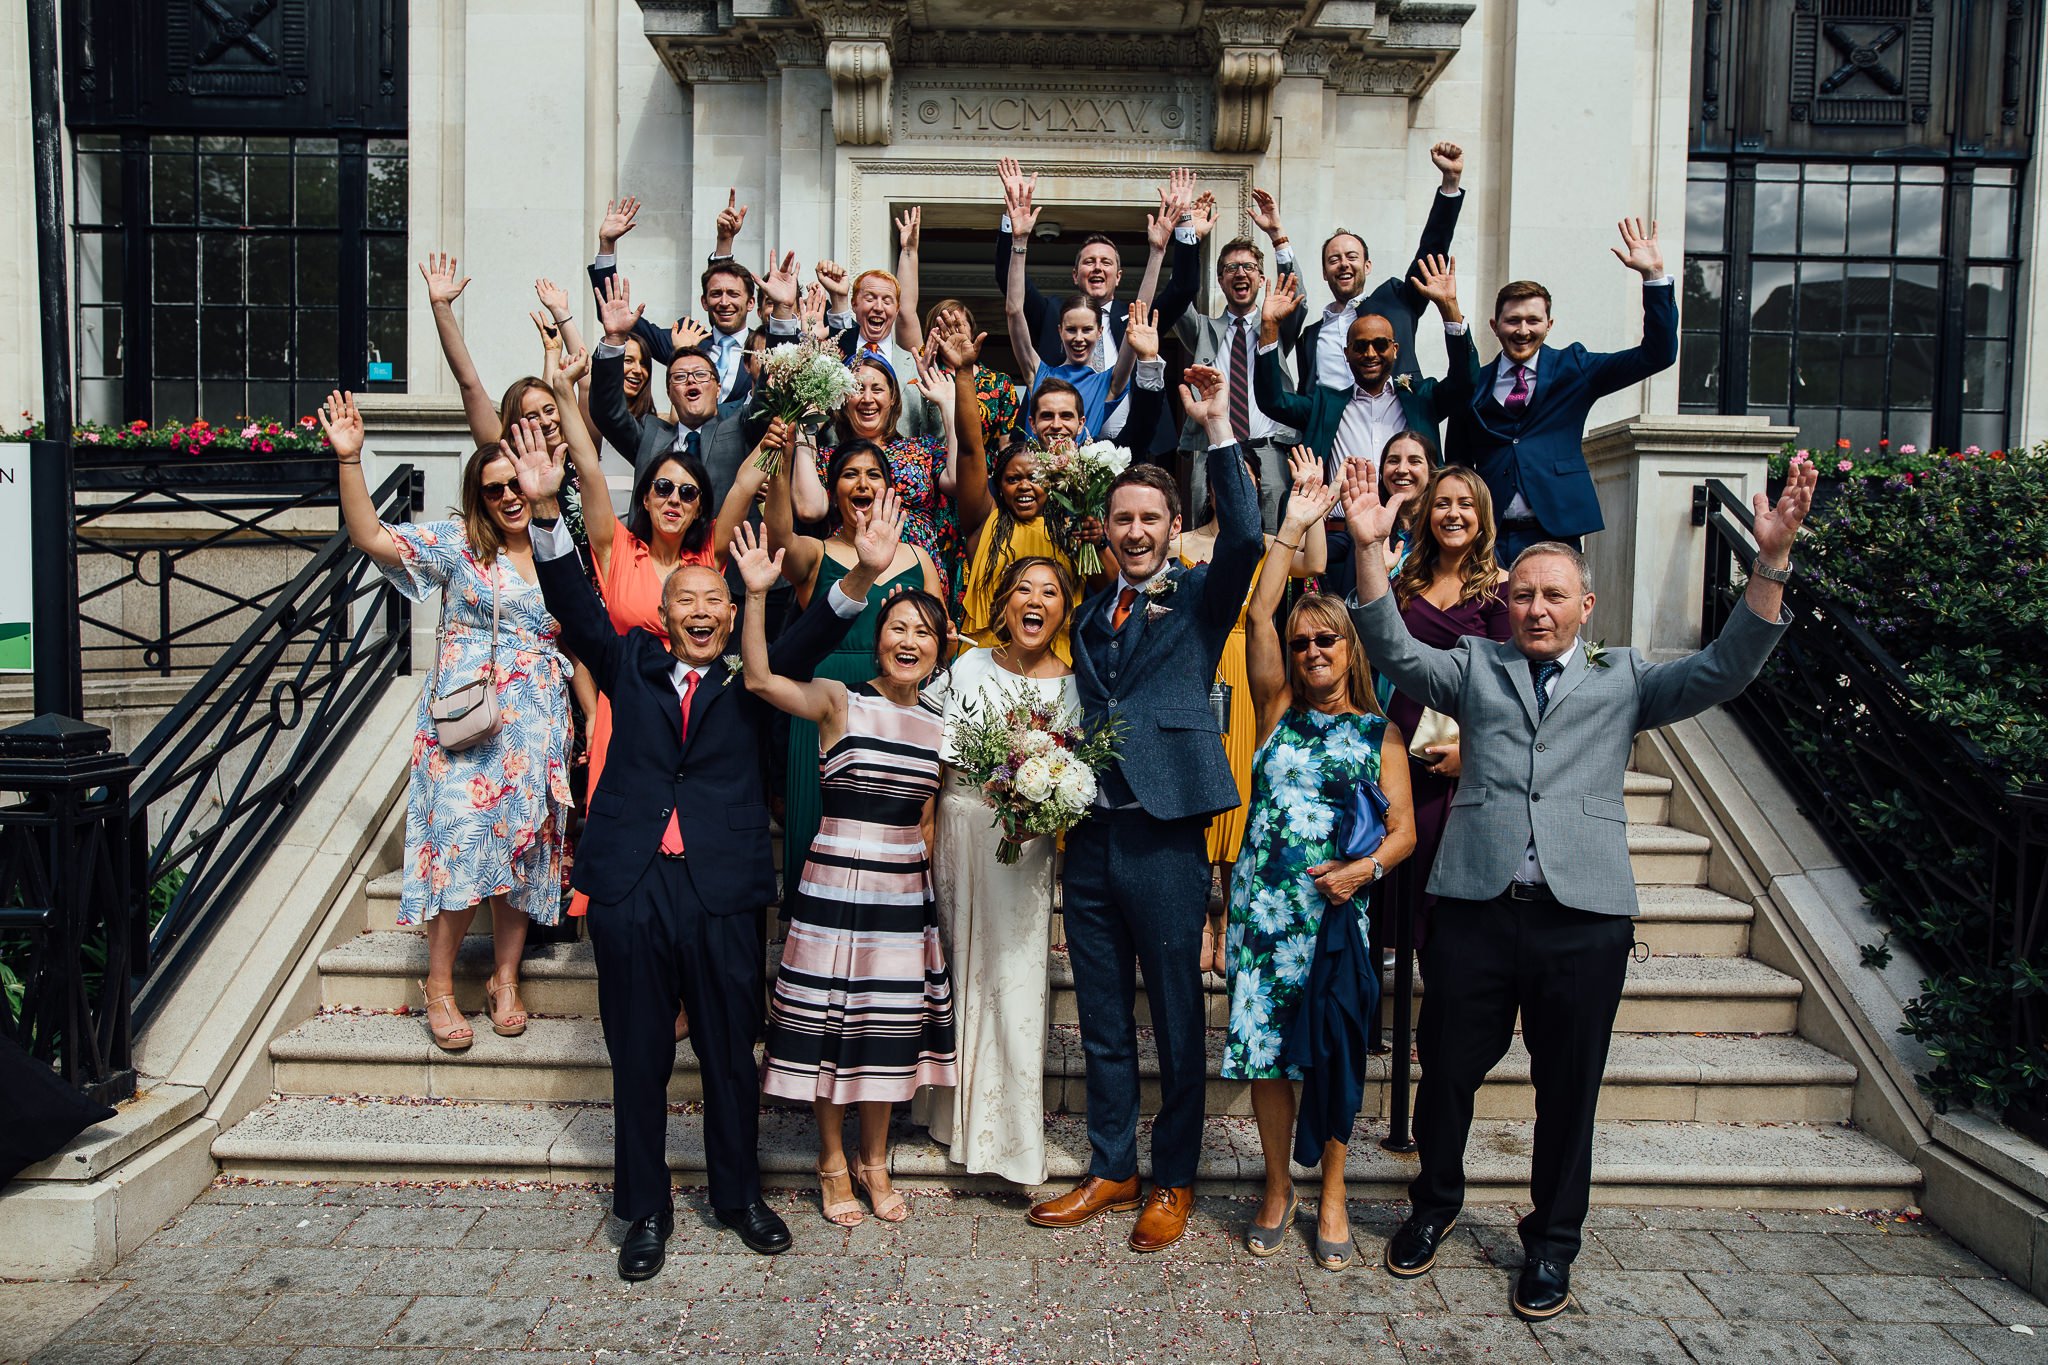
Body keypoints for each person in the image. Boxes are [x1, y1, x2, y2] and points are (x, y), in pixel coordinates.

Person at [1340, 455, 1817, 1320]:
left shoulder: (1623, 676)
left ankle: (1552, 1243)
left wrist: (1770, 564)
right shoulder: (1476, 664)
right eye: (1524, 594)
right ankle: (1435, 1204)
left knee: (1571, 1086)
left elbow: (1724, 670)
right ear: (1507, 598)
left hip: (1584, 918)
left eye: (1554, 596)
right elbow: (1391, 649)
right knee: (1445, 1067)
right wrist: (1370, 549)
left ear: (1584, 607)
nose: (1536, 609)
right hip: (1477, 907)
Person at [511, 438, 901, 1280]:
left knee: (731, 1051)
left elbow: (804, 642)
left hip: (722, 886)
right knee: (640, 1054)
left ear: (729, 618)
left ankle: (737, 1195)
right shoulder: (627, 660)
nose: (698, 612)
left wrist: (862, 576)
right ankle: (643, 1208)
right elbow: (572, 601)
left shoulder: (748, 676)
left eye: (712, 604)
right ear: (664, 612)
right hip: (631, 882)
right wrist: (548, 511)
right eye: (684, 599)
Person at [1025, 367, 1259, 1253]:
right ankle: (1112, 1164)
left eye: (1149, 518)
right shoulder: (1088, 613)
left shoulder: (1200, 598)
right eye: (1122, 518)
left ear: (1169, 527)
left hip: (1166, 832)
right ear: (1108, 529)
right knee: (1100, 1014)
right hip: (1091, 833)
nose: (1134, 530)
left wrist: (1217, 431)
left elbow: (1245, 532)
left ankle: (1174, 1178)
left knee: (1173, 1014)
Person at [325, 392, 569, 1051]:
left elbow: (581, 638)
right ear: (479, 496)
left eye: (516, 483)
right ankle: (438, 984)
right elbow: (371, 537)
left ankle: (505, 978)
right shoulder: (461, 543)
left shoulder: (558, 546)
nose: (509, 498)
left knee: (521, 848)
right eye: (494, 490)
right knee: (464, 842)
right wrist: (351, 459)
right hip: (469, 723)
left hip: (540, 720)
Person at [740, 525, 958, 1227]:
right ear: (879, 633)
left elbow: (933, 812)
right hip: (837, 880)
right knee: (831, 1028)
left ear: (938, 649)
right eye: (898, 626)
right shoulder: (838, 698)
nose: (908, 641)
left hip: (902, 888)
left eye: (923, 633)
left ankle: (876, 1157)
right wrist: (753, 595)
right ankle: (831, 1160)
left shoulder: (942, 720)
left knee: (885, 1030)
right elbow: (760, 678)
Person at [1224, 467, 1414, 1271]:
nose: (1309, 651)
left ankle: (1333, 1190)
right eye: (1302, 644)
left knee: (1333, 1054)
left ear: (1350, 646)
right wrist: (1294, 521)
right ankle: (1278, 1185)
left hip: (1336, 918)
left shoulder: (1380, 734)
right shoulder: (1274, 712)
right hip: (1263, 914)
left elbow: (1402, 833)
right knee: (1264, 1052)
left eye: (1325, 639)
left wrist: (1361, 872)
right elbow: (1260, 610)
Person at [917, 556, 1080, 1186]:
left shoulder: (1071, 687)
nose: (1034, 601)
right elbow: (929, 746)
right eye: (1022, 590)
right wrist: (927, 824)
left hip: (1023, 844)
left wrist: (1048, 815)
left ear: (1063, 609)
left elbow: (1072, 781)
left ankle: (1010, 1136)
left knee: (1013, 977)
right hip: (959, 829)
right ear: (1004, 603)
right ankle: (945, 1115)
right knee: (957, 968)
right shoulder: (968, 666)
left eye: (1049, 592)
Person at [766, 436, 947, 904]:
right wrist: (784, 458)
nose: (862, 483)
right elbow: (778, 539)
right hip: (827, 698)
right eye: (850, 473)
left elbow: (938, 638)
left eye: (873, 475)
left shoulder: (918, 558)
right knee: (823, 819)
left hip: (896, 703)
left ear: (889, 489)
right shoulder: (814, 552)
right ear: (833, 490)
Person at [1171, 446, 1327, 974]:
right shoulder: (1182, 543)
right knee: (1195, 791)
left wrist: (1309, 500)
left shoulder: (1264, 544)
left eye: (1246, 477)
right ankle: (1196, 922)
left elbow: (1316, 562)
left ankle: (1230, 923)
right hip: (1195, 665)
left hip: (1246, 667)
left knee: (1240, 792)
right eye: (1226, 476)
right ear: (1211, 487)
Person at [1446, 218, 1678, 563]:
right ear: (1495, 326)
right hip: (1487, 536)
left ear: (1549, 325)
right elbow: (1458, 463)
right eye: (1513, 321)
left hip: (1555, 531)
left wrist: (1653, 277)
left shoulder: (1575, 368)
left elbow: (1657, 354)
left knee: (1553, 616)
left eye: (1533, 321)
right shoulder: (1474, 382)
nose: (1523, 330)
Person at [1254, 255, 1473, 598]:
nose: (1370, 353)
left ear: (1395, 350)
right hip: (1338, 542)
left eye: (1380, 344)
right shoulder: (1326, 402)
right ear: (1347, 353)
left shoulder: (1421, 397)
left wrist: (1450, 311)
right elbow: (1272, 400)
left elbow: (1466, 383)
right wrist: (1268, 328)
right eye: (1360, 346)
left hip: (1414, 541)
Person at [1382, 464, 1510, 957]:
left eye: (1464, 504)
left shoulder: (1498, 588)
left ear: (1482, 516)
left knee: (1440, 894)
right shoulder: (1405, 580)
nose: (1452, 514)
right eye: (1442, 503)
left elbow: (1504, 687)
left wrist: (1470, 752)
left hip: (1458, 754)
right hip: (1400, 741)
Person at [995, 158, 1198, 450]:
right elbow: (1014, 309)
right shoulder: (1039, 372)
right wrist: (1020, 239)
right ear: (1060, 331)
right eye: (1071, 330)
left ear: (1099, 331)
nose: (1079, 338)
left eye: (1087, 330)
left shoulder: (1110, 382)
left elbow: (1139, 319)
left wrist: (1157, 252)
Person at [1248, 143, 1467, 394]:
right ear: (1324, 273)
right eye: (1333, 259)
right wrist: (1277, 234)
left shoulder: (1398, 302)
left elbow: (1430, 250)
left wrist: (1450, 183)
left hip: (1393, 428)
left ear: (1367, 265)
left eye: (1351, 256)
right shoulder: (1310, 336)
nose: (1343, 263)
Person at [789, 352, 963, 594]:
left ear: (892, 398)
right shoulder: (829, 458)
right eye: (857, 388)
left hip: (917, 577)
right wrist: (806, 432)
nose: (867, 398)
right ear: (842, 398)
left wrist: (949, 405)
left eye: (878, 389)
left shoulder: (921, 448)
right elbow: (809, 510)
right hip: (853, 574)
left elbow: (957, 481)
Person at [586, 191, 774, 409]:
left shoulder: (764, 349)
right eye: (715, 294)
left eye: (733, 294)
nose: (724, 302)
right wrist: (607, 246)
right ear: (704, 302)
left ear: (751, 303)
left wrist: (725, 243)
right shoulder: (685, 340)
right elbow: (613, 315)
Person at [1176, 223, 1301, 532]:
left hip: (1269, 451)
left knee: (1273, 540)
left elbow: (1297, 297)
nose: (1240, 273)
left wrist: (1279, 237)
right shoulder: (1203, 329)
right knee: (1207, 539)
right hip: (1212, 448)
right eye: (1231, 267)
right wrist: (1189, 242)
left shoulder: (1278, 326)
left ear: (1261, 278)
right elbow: (1177, 298)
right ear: (1220, 279)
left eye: (1249, 267)